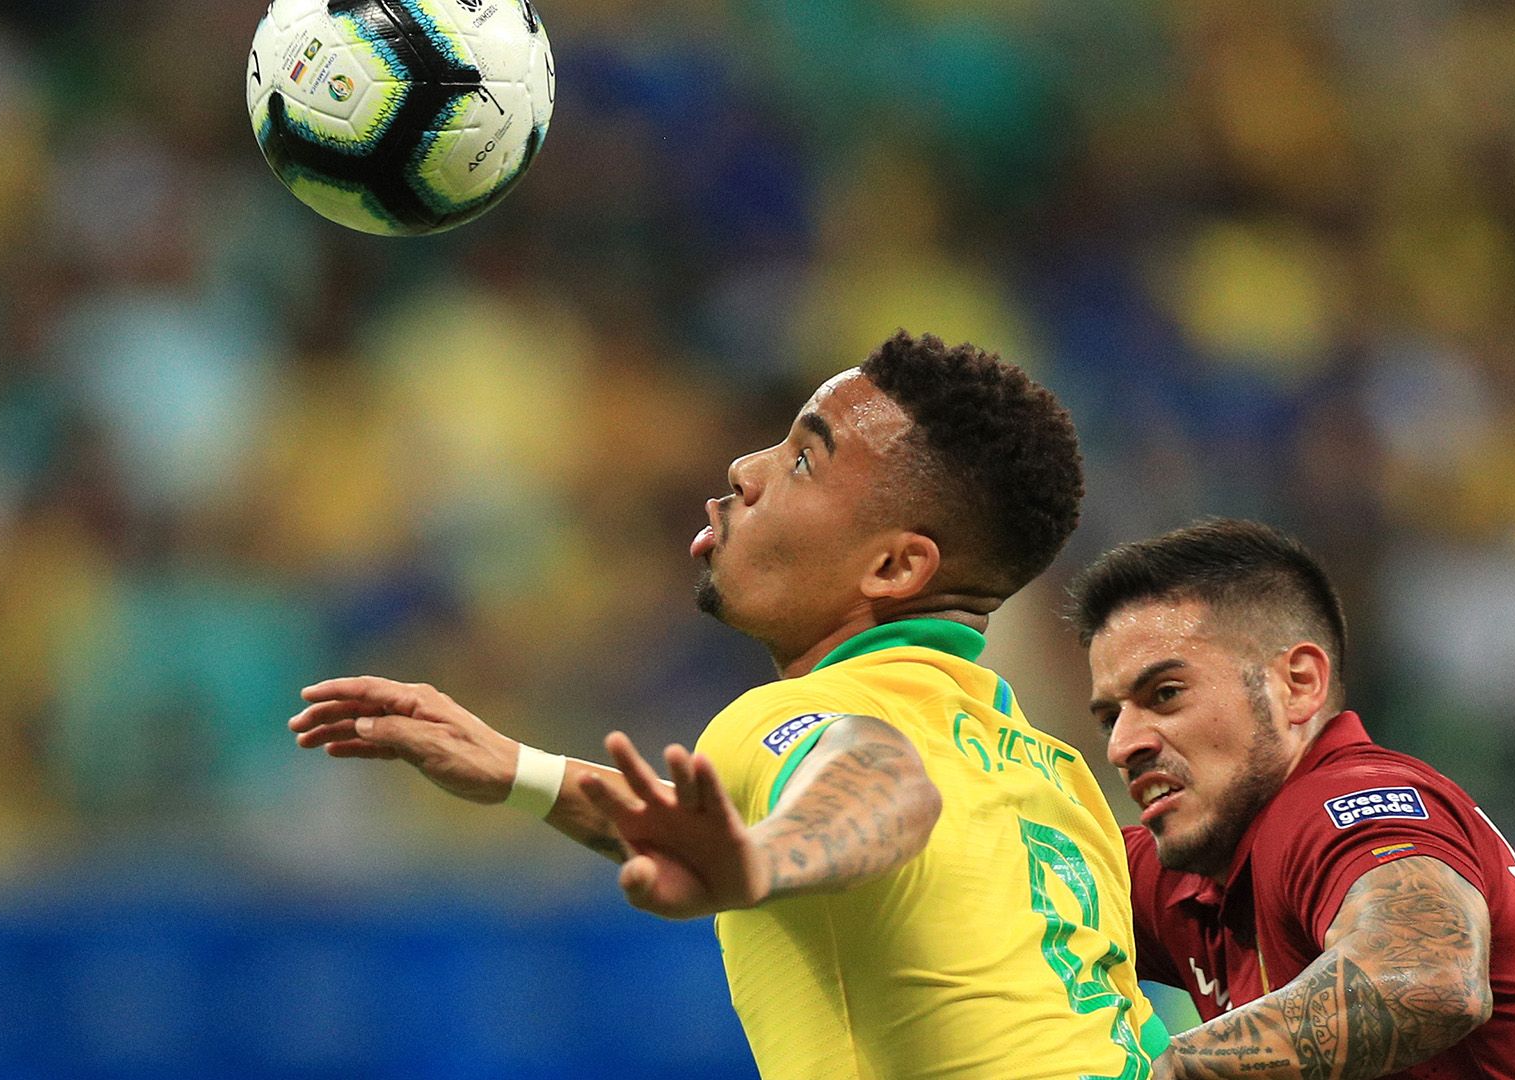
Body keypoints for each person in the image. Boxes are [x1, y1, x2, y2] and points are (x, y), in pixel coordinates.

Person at [288, 331, 1165, 1079]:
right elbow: (748, 818)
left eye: (803, 461)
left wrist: (762, 862)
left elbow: (882, 786)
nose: (745, 470)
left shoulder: (809, 720)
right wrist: (526, 773)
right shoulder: (1058, 781)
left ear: (896, 569)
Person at [1068, 519, 1515, 1080]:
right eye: (1110, 718)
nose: (1123, 745)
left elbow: (1428, 978)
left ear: (1297, 684)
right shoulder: (1190, 875)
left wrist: (1177, 1066)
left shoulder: (1346, 800)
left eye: (1165, 694)